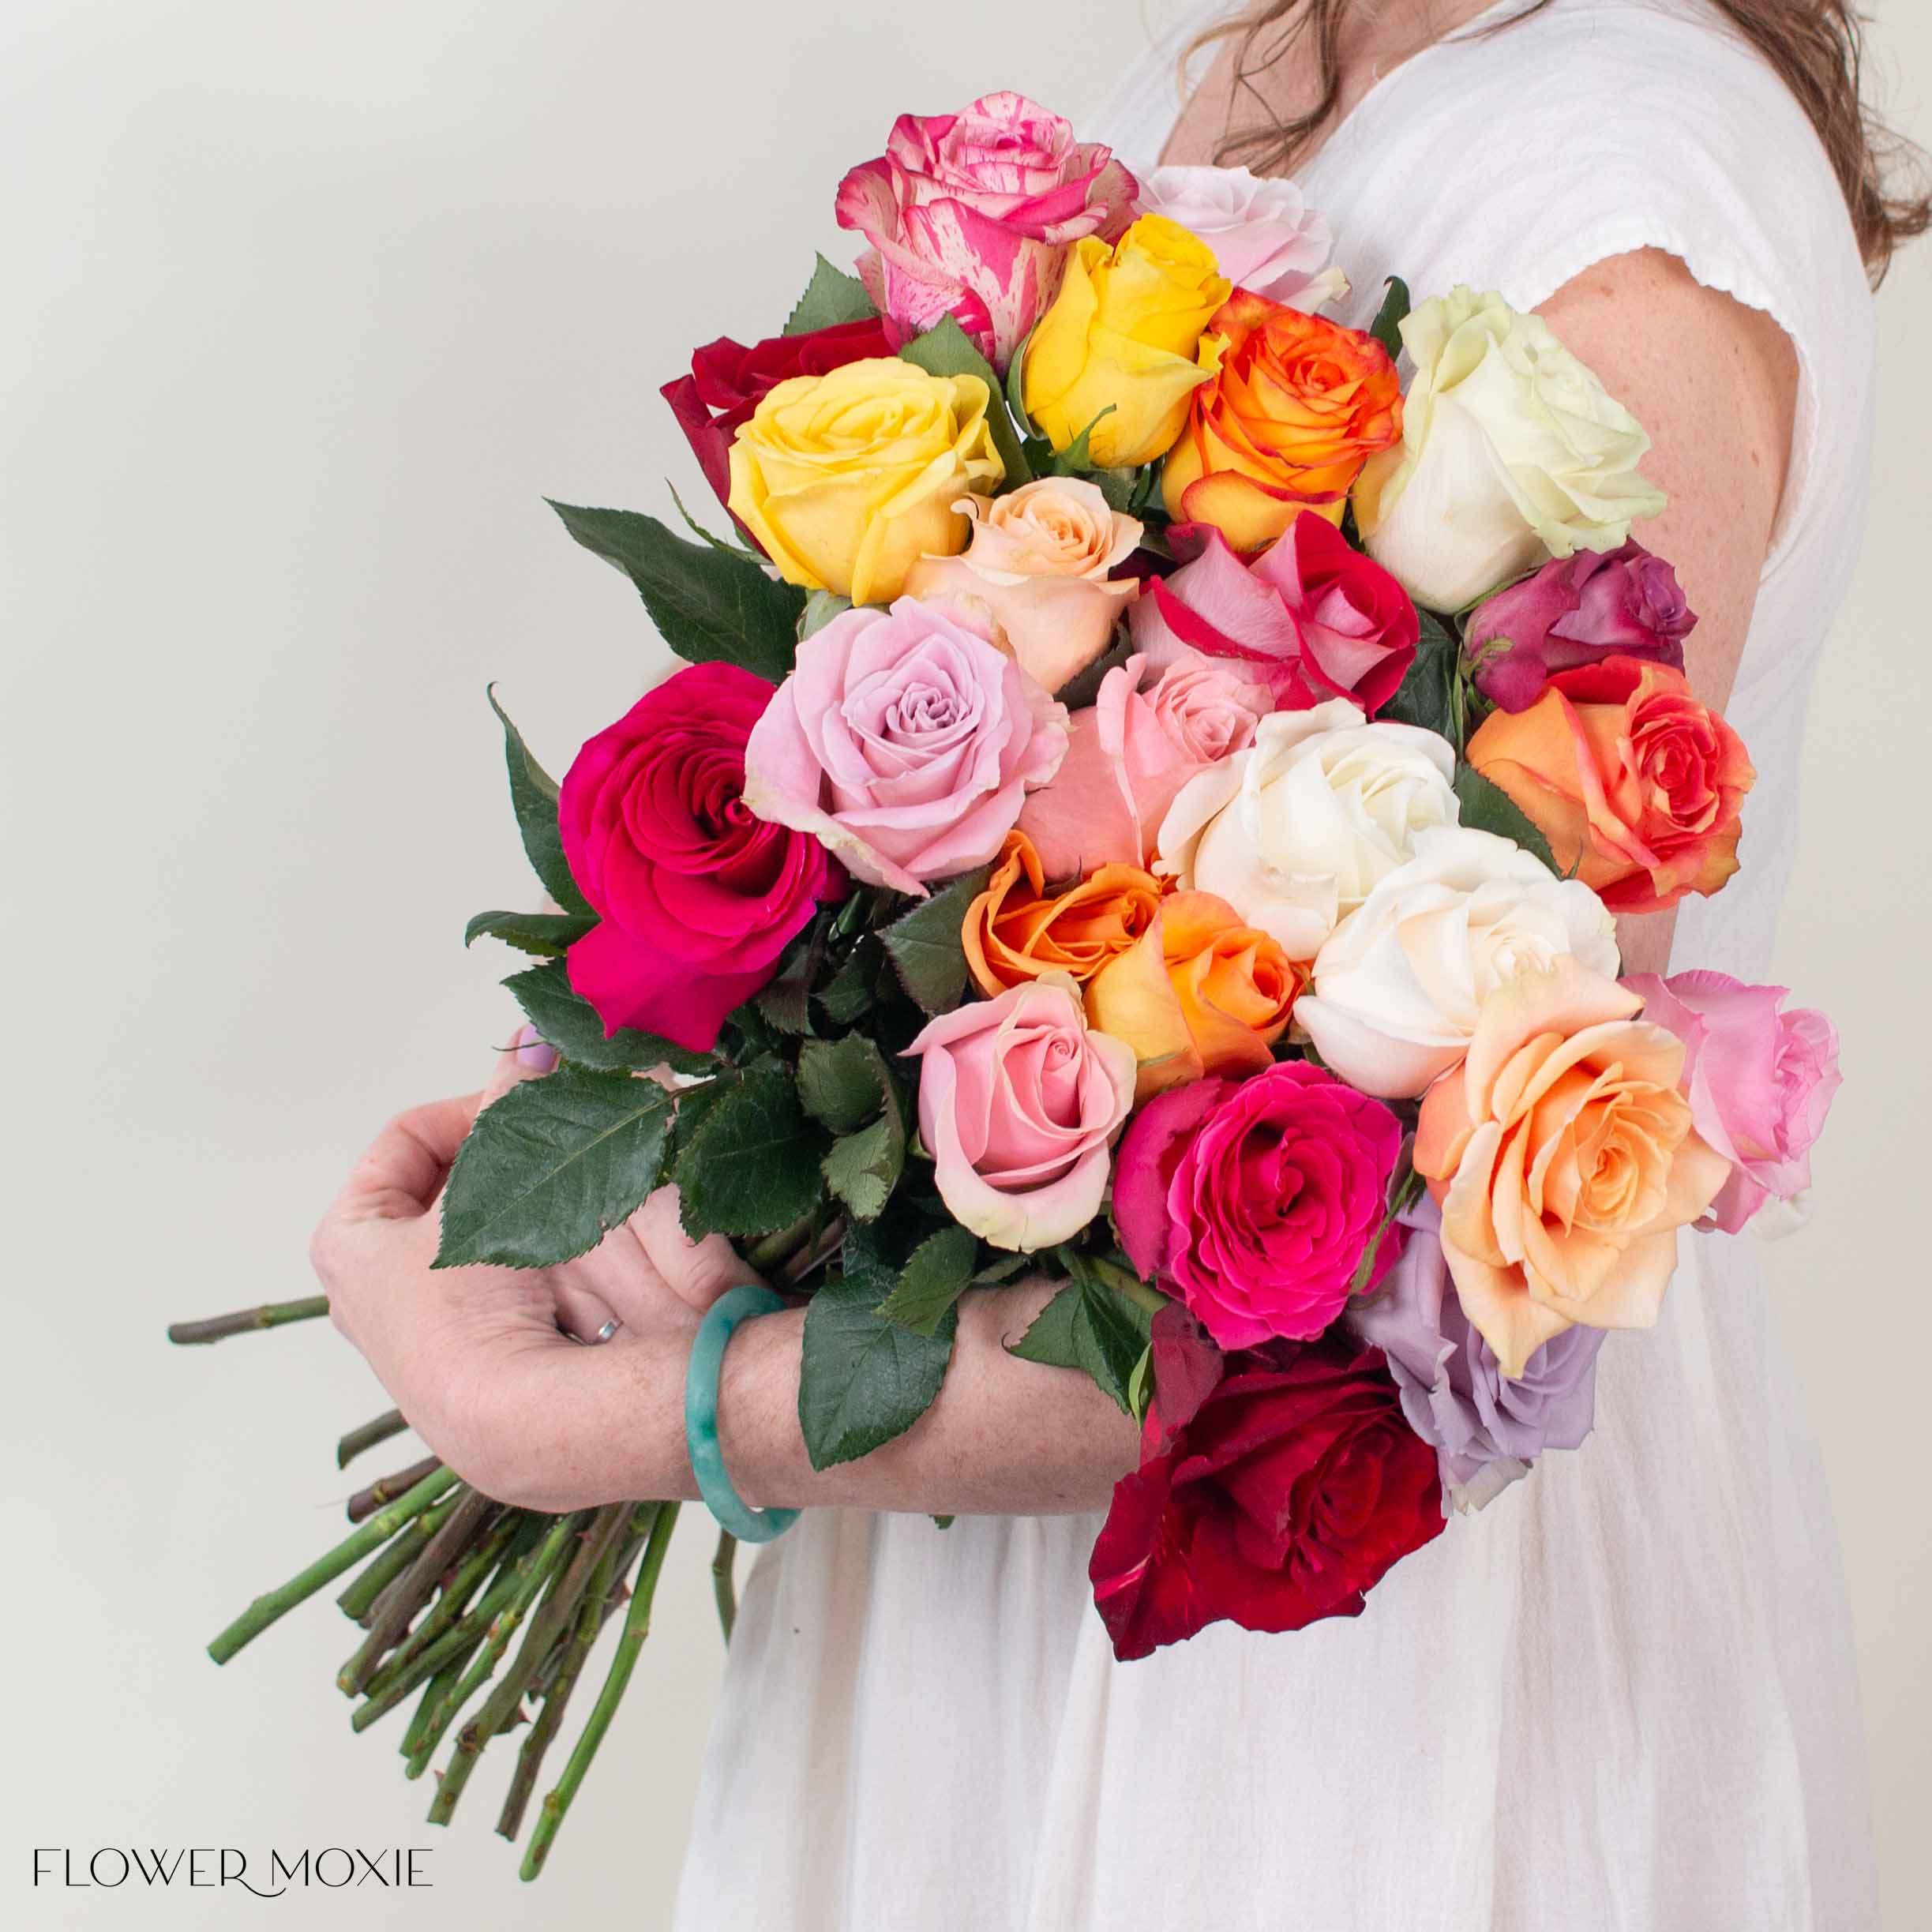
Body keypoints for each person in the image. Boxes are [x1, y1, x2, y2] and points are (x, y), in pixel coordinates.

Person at [313, 2, 1924, 1923]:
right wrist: (664, 1107)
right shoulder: (1241, 68)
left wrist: (607, 1418)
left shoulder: (1632, 224)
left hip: (1339, 1668)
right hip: (976, 1538)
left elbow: (1397, 1284)